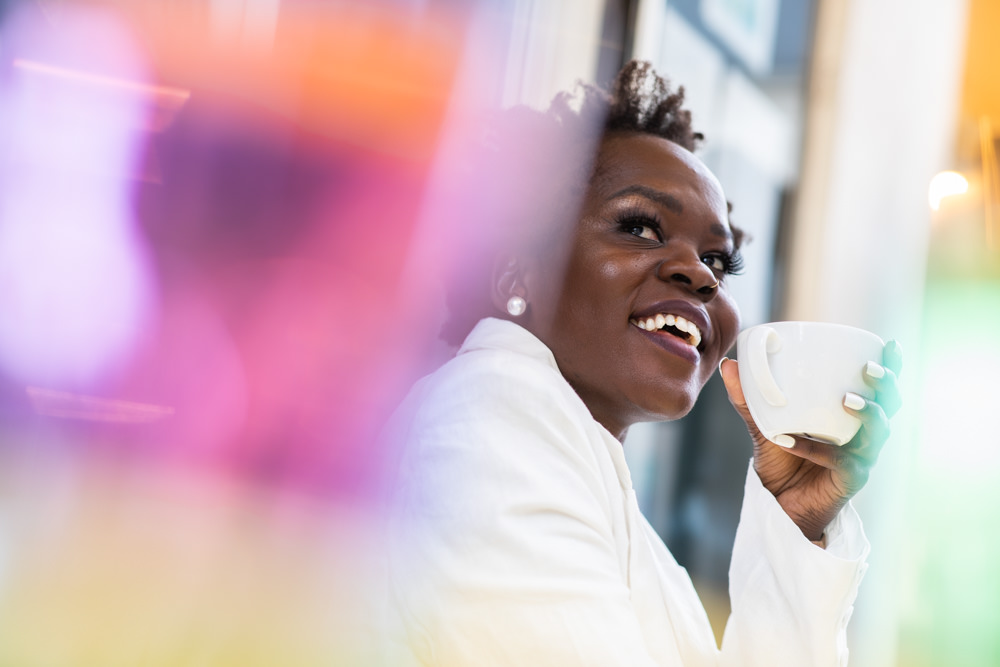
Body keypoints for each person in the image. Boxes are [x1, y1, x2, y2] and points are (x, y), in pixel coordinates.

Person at [383, 61, 902, 666]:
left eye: (720, 261)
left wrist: (799, 527)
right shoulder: (492, 407)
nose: (702, 274)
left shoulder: (619, 514)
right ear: (519, 275)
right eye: (641, 227)